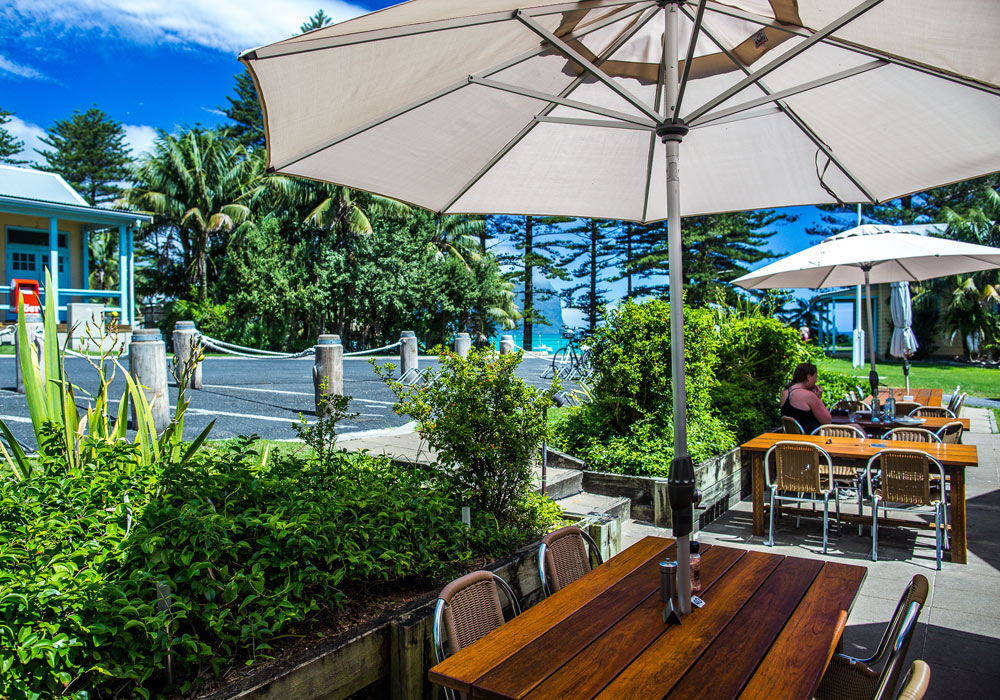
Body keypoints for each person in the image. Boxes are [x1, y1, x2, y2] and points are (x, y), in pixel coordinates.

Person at [779, 362, 831, 435]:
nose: (816, 380)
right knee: (851, 428)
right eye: (815, 377)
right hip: (812, 439)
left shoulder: (785, 392)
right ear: (808, 377)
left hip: (793, 437)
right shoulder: (809, 396)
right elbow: (827, 421)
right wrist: (818, 399)